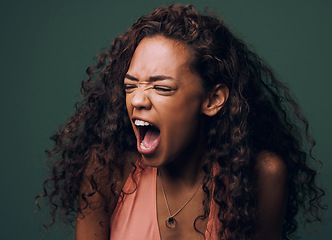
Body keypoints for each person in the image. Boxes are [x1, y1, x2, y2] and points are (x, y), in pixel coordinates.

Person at [36, 4, 326, 240]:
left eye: (161, 88)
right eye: (130, 86)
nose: (137, 100)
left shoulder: (260, 176)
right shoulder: (107, 171)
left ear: (212, 100)